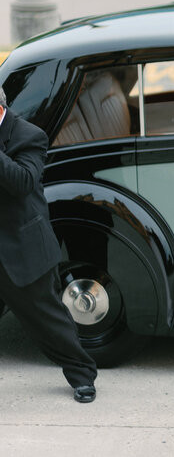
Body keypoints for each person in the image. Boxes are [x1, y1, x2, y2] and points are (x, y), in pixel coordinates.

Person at [0, 87, 98, 403]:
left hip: (22, 246)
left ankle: (82, 374)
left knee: (47, 319)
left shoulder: (29, 135)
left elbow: (22, 182)